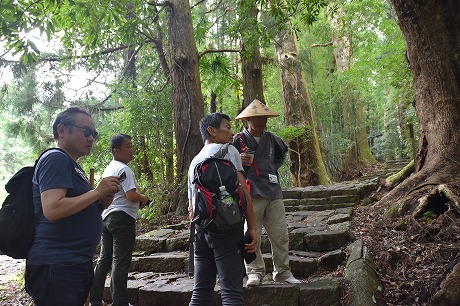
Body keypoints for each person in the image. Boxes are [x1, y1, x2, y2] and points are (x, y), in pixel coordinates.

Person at [25, 106, 122, 306]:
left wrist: (100, 203)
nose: (91, 138)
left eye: (94, 133)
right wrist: (96, 192)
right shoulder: (56, 158)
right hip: (57, 265)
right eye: (85, 131)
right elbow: (53, 209)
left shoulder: (72, 165)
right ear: (61, 130)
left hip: (73, 263)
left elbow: (72, 209)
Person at [188, 112, 257, 306]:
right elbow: (243, 191)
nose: (231, 132)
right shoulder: (228, 151)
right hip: (227, 230)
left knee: (200, 293)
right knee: (232, 293)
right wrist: (251, 227)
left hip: (201, 233)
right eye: (227, 127)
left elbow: (191, 206)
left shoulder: (194, 161)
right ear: (212, 130)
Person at [232, 99, 301, 286]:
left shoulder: (272, 139)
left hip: (273, 190)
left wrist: (272, 166)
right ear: (248, 120)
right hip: (250, 191)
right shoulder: (237, 140)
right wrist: (238, 160)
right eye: (257, 118)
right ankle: (254, 272)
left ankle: (283, 272)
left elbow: (282, 153)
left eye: (264, 117)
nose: (262, 121)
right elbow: (227, 163)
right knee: (252, 233)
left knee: (280, 233)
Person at [90, 134, 148, 306]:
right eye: (128, 146)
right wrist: (143, 197)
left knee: (104, 260)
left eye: (131, 146)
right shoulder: (124, 169)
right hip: (122, 219)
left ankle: (94, 300)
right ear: (116, 151)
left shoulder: (109, 168)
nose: (132, 150)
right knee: (120, 262)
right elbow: (131, 196)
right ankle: (120, 302)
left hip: (107, 218)